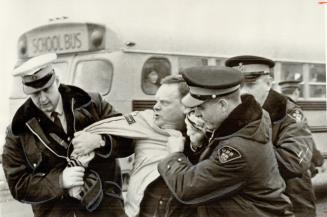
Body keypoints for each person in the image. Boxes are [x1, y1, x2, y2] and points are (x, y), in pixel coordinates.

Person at [2, 53, 131, 217]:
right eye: (35, 94)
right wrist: (60, 180)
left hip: (107, 210)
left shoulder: (92, 104)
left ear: (56, 80)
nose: (43, 99)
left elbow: (129, 139)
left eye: (46, 90)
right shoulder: (17, 130)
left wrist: (100, 141)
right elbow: (18, 185)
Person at [158, 66, 293, 217]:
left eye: (201, 107)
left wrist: (174, 155)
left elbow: (187, 189)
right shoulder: (250, 120)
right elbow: (213, 170)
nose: (196, 114)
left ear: (222, 105)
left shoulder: (236, 151)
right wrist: (199, 144)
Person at [73, 75, 195, 217]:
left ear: (186, 105)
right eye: (156, 101)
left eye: (165, 103)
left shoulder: (202, 135)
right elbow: (107, 127)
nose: (156, 106)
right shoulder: (144, 120)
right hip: (137, 211)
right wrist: (98, 140)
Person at [225, 55, 315, 217]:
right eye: (237, 86)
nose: (243, 92)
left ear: (268, 83)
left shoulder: (288, 113)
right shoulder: (229, 112)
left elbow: (294, 163)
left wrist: (247, 147)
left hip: (291, 200)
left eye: (250, 85)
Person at [279, 80, 324, 178]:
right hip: (297, 168)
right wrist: (318, 159)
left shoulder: (277, 109)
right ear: (296, 92)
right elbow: (303, 138)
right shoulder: (295, 111)